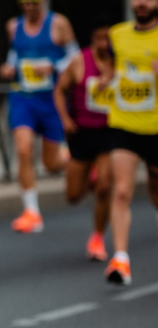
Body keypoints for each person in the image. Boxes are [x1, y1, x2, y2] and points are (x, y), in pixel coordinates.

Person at [0, 0, 78, 233]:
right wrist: (7, 68)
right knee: (24, 148)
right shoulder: (13, 26)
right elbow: (14, 55)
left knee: (51, 164)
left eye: (33, 2)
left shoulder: (59, 24)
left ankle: (74, 161)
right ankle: (31, 211)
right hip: (23, 97)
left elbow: (75, 59)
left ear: (43, 1)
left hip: (51, 100)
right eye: (24, 3)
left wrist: (53, 68)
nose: (29, 8)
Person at [104, 0, 158, 286]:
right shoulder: (117, 35)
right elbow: (112, 68)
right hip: (124, 123)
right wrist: (104, 80)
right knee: (121, 190)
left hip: (156, 126)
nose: (142, 2)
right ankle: (121, 260)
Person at [53, 18, 115, 261]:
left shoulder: (121, 63)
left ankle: (97, 238)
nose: (104, 43)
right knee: (72, 196)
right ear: (92, 40)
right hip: (82, 132)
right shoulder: (79, 61)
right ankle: (89, 174)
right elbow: (59, 90)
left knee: (105, 187)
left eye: (108, 38)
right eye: (99, 38)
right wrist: (65, 119)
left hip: (110, 132)